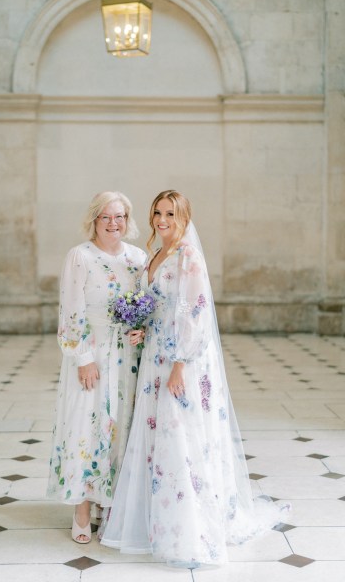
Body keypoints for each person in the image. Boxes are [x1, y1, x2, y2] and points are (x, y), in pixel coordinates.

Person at [101, 190, 290, 567]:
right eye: (157, 212)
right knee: (158, 434)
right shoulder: (155, 255)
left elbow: (197, 315)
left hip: (180, 360)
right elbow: (158, 308)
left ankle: (189, 527)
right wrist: (140, 329)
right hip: (155, 355)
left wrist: (180, 365)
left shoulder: (189, 258)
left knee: (181, 434)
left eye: (171, 213)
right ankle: (157, 521)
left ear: (185, 217)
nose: (162, 220)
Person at [47, 191, 146, 544]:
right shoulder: (80, 257)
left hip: (128, 359)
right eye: (106, 217)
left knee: (121, 426)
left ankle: (111, 502)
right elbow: (70, 311)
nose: (113, 223)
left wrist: (141, 329)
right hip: (92, 354)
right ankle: (83, 508)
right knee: (86, 425)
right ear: (94, 220)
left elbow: (147, 305)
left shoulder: (138, 257)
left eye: (119, 216)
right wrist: (83, 358)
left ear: (127, 219)